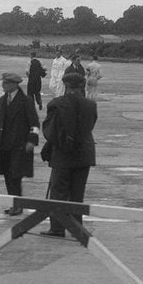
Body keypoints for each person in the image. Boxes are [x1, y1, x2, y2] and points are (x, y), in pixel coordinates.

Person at [39, 73, 97, 238]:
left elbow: (49, 131)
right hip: (84, 153)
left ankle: (57, 227)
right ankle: (76, 228)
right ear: (81, 86)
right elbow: (90, 126)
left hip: (63, 154)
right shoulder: (90, 105)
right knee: (78, 193)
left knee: (58, 192)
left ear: (65, 85)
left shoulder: (57, 104)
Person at [0, 73, 39, 215]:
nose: (4, 85)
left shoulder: (26, 101)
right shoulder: (3, 101)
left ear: (14, 84)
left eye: (6, 83)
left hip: (19, 145)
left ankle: (18, 204)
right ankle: (13, 203)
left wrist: (31, 141)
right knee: (8, 175)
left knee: (16, 176)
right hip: (3, 144)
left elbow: (34, 123)